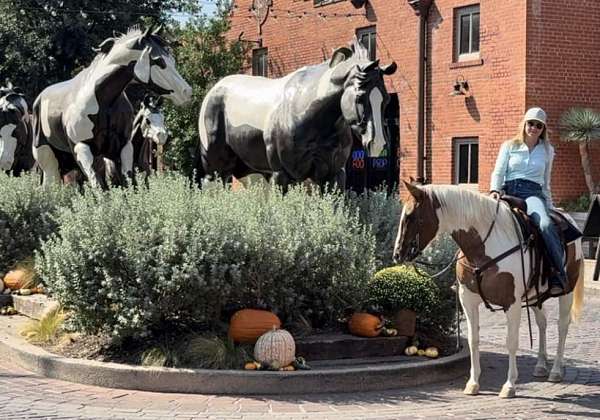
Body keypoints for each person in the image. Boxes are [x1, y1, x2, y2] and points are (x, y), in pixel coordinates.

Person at [489, 107, 566, 296]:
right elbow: (499, 171)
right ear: (524, 124)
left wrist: (549, 206)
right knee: (484, 219)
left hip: (532, 194)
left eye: (539, 125)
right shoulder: (509, 145)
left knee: (547, 225)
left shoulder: (548, 150)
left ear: (543, 129)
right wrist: (493, 191)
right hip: (508, 191)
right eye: (531, 123)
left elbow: (546, 183)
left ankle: (558, 274)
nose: (534, 127)